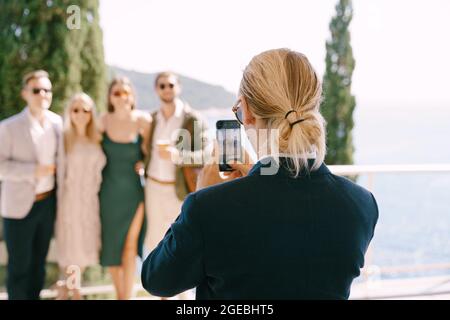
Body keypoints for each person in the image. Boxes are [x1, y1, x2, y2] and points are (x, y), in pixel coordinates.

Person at [141, 49, 379, 300]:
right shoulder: (362, 205)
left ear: (247, 110)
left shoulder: (208, 208)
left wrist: (203, 196)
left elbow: (157, 280)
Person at [0, 70, 63, 300]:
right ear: (25, 94)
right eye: (37, 90)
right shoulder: (8, 127)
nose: (43, 94)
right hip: (18, 208)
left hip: (47, 205)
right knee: (19, 268)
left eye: (47, 90)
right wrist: (32, 172)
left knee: (39, 265)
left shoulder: (58, 123)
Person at [143, 72, 209, 258]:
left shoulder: (192, 118)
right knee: (155, 242)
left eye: (171, 85)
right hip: (153, 187)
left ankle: (183, 288)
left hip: (179, 190)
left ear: (178, 87)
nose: (167, 89)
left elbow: (206, 155)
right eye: (162, 86)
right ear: (156, 89)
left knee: (180, 242)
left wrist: (178, 156)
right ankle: (158, 286)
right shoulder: (152, 118)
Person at [99, 77, 151, 300]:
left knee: (130, 247)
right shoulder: (102, 121)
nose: (121, 97)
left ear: (132, 96)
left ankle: (125, 297)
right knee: (111, 248)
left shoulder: (143, 120)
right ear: (110, 97)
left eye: (125, 92)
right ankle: (120, 295)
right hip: (108, 194)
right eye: (116, 93)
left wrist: (144, 163)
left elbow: (152, 155)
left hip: (134, 192)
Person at [54, 93, 106, 300]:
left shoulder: (97, 137)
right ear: (70, 112)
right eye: (76, 109)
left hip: (91, 199)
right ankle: (74, 291)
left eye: (86, 110)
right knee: (72, 245)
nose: (81, 114)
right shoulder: (64, 138)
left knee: (84, 245)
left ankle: (64, 289)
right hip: (71, 198)